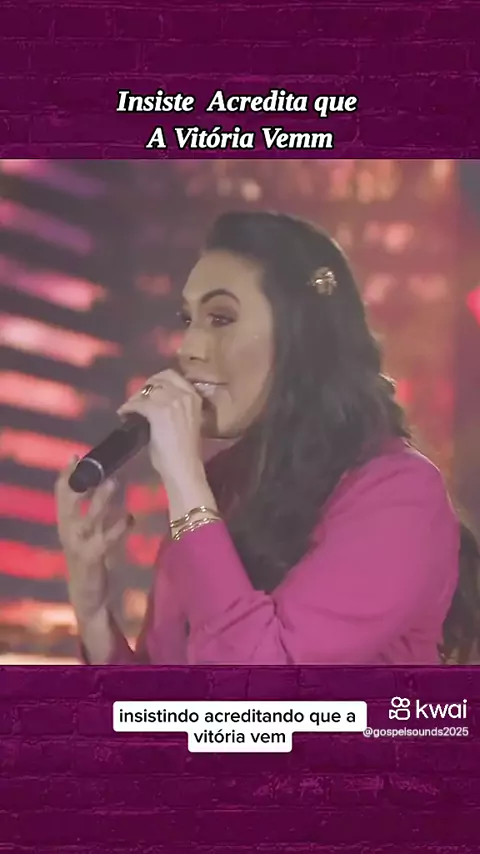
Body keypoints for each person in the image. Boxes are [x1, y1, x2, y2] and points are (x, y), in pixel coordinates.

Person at [55, 211, 480, 666]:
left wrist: (185, 481)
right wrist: (93, 613)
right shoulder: (221, 487)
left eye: (221, 318)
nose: (188, 349)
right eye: (188, 319)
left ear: (303, 339)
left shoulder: (399, 493)